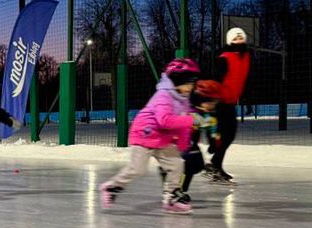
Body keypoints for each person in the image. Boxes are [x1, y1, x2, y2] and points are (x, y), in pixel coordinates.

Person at [98, 58, 198, 214]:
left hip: (163, 139)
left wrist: (183, 146)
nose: (190, 88)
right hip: (145, 135)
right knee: (137, 169)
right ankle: (111, 188)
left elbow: (184, 125)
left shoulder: (184, 101)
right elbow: (165, 121)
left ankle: (171, 198)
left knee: (177, 164)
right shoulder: (163, 96)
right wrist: (192, 120)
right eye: (188, 83)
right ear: (177, 81)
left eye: (192, 84)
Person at [208, 27, 252, 185]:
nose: (239, 40)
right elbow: (215, 80)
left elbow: (243, 79)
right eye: (236, 38)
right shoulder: (224, 58)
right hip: (220, 101)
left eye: (241, 38)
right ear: (230, 41)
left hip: (231, 101)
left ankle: (215, 163)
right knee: (225, 134)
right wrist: (212, 101)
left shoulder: (246, 56)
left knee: (229, 134)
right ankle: (214, 163)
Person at [173, 79, 222, 206]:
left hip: (191, 143)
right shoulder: (189, 111)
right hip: (181, 142)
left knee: (197, 165)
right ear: (200, 100)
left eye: (215, 102)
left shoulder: (209, 115)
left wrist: (213, 142)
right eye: (210, 102)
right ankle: (176, 190)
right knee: (190, 163)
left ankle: (179, 188)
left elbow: (211, 128)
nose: (212, 105)